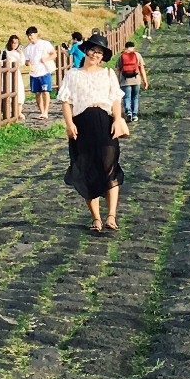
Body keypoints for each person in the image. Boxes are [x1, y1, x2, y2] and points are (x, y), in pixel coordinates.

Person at [59, 30, 127, 233]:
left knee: (109, 167)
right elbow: (66, 101)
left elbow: (115, 99)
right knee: (86, 169)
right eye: (92, 50)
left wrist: (117, 119)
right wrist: (69, 123)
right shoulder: (72, 75)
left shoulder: (108, 74)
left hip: (104, 122)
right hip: (82, 123)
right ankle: (96, 218)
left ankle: (111, 215)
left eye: (99, 52)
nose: (95, 55)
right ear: (86, 51)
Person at [21, 26, 56, 120]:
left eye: (31, 35)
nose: (30, 37)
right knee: (37, 93)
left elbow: (54, 54)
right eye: (28, 35)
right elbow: (26, 60)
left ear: (36, 34)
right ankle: (41, 112)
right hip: (34, 73)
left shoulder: (45, 43)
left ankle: (46, 112)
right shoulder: (28, 48)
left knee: (45, 91)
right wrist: (28, 63)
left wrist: (46, 59)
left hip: (44, 71)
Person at [116, 38, 149, 122]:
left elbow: (118, 70)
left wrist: (117, 82)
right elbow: (141, 68)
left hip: (125, 80)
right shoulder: (137, 55)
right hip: (136, 79)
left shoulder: (121, 56)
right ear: (133, 47)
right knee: (135, 97)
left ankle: (128, 112)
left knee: (126, 97)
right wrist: (145, 80)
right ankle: (134, 115)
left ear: (125, 47)